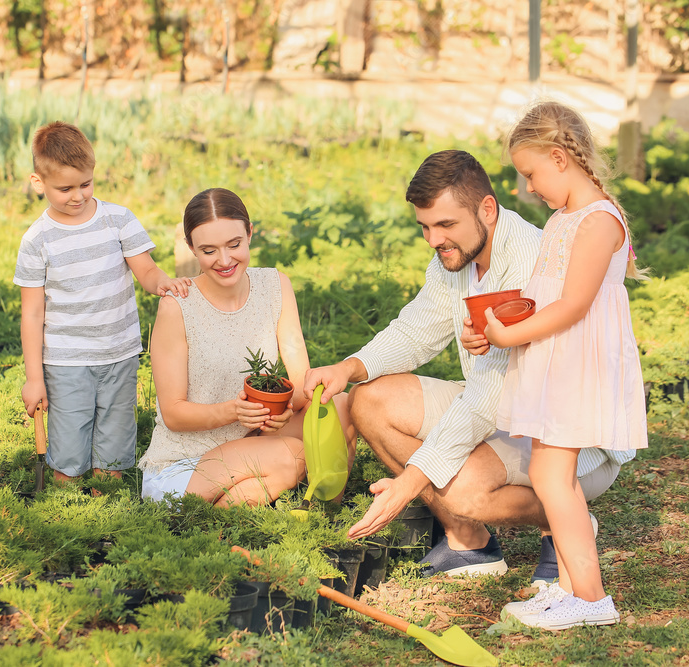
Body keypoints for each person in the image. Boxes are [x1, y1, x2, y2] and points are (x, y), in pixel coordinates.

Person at [305, 149, 630, 581]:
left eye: (445, 225)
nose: (433, 240)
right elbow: (416, 330)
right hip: (501, 411)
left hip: (566, 434)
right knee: (369, 401)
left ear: (487, 209)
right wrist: (347, 368)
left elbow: (490, 391)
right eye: (424, 226)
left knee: (461, 488)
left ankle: (565, 522)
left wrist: (410, 482)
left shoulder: (533, 256)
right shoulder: (455, 256)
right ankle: (469, 543)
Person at [480, 101, 647, 629]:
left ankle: (591, 599)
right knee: (552, 474)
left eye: (530, 173)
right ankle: (572, 587)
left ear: (559, 157)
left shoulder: (598, 221)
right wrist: (495, 325)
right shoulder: (563, 219)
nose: (527, 187)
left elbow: (574, 305)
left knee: (553, 475)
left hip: (578, 368)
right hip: (557, 361)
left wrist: (510, 333)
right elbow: (544, 296)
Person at [138, 188, 354, 506]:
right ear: (191, 248)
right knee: (291, 457)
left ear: (250, 233)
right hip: (184, 466)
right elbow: (173, 414)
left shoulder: (275, 286)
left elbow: (300, 384)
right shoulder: (178, 306)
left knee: (342, 406)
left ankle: (331, 521)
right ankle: (205, 527)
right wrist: (235, 412)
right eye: (209, 250)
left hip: (251, 443)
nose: (225, 261)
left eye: (234, 244)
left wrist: (281, 412)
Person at [14, 121, 191, 484]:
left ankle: (104, 493)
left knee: (114, 430)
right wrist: (35, 378)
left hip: (118, 351)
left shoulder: (118, 220)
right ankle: (67, 497)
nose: (78, 195)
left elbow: (146, 270)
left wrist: (164, 284)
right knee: (69, 439)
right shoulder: (37, 240)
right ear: (38, 183)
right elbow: (32, 313)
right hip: (67, 358)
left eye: (86, 184)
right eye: (65, 188)